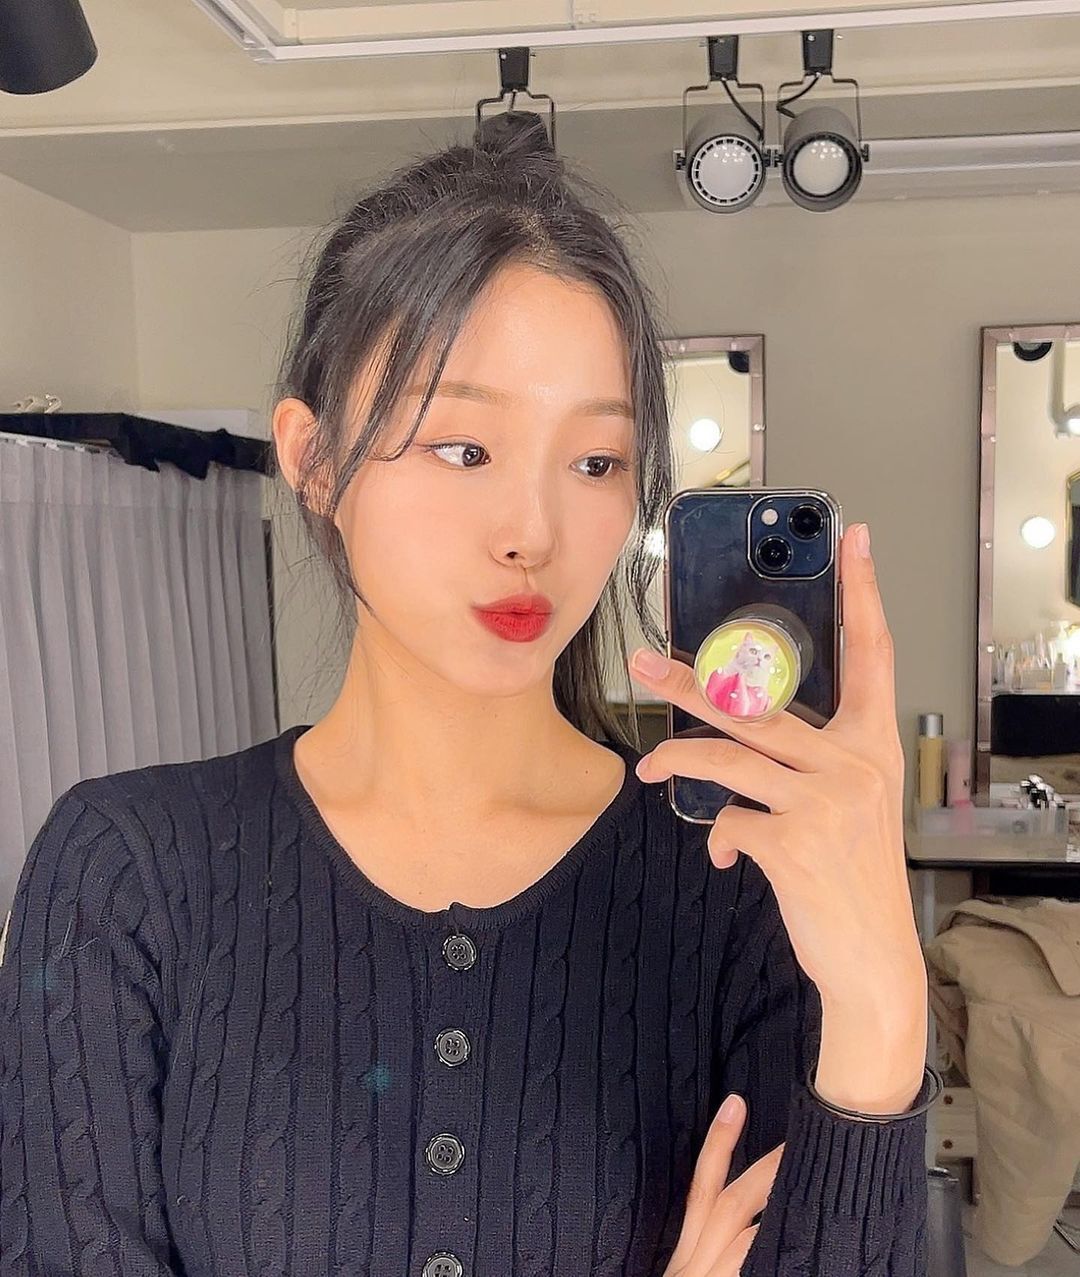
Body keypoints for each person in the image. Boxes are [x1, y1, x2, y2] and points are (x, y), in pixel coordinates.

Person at [0, 111, 940, 1276]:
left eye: (595, 461)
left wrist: (883, 1004)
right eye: (463, 447)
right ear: (313, 460)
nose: (531, 530)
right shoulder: (125, 872)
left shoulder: (737, 881)